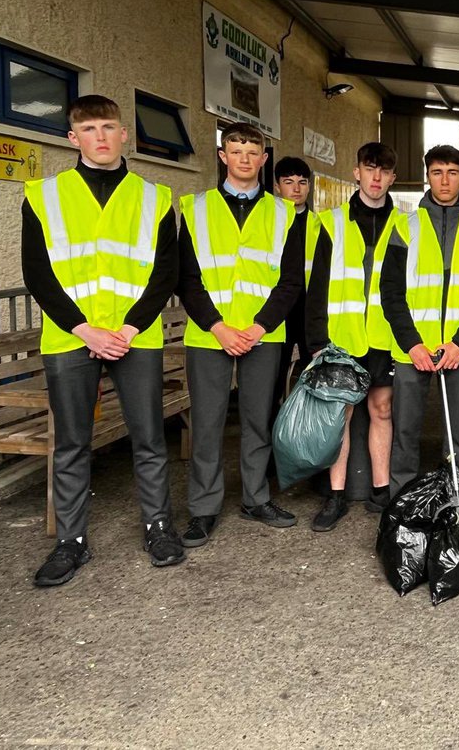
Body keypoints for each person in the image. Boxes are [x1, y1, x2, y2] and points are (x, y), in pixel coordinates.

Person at [22, 94, 182, 586]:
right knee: (71, 443)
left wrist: (128, 328)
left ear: (124, 134)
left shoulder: (154, 197)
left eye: (109, 127)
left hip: (136, 335)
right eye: (89, 129)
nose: (101, 136)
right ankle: (71, 543)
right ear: (73, 138)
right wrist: (86, 329)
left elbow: (164, 273)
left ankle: (158, 527)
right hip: (72, 336)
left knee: (150, 439)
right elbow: (38, 274)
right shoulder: (41, 195)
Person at [176, 122, 306, 547]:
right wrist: (218, 326)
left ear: (264, 159)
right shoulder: (194, 208)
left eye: (253, 152)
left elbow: (290, 282)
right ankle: (204, 509)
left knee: (257, 420)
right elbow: (187, 278)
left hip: (261, 334)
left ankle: (255, 498)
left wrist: (256, 327)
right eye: (236, 151)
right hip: (208, 333)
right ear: (223, 156)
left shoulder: (284, 212)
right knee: (209, 424)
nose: (245, 159)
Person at [380, 145, 459, 494]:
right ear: (426, 177)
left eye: (451, 172)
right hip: (412, 348)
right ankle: (401, 500)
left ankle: (455, 499)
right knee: (405, 431)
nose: (444, 180)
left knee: (458, 433)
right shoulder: (404, 226)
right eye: (436, 172)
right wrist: (412, 343)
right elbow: (391, 292)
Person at [306, 142, 403, 528]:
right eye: (369, 168)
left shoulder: (406, 225)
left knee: (382, 410)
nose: (376, 177)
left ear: (393, 178)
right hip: (342, 337)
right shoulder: (330, 222)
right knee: (340, 415)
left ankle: (381, 491)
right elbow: (317, 287)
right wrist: (315, 344)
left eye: (384, 171)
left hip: (384, 337)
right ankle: (335, 496)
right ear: (356, 172)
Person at [271, 156, 314, 412]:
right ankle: (271, 446)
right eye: (288, 182)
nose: (296, 189)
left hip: (309, 314)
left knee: (314, 381)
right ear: (278, 186)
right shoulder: (268, 223)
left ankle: (310, 444)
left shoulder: (321, 226)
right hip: (277, 315)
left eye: (302, 182)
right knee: (272, 384)